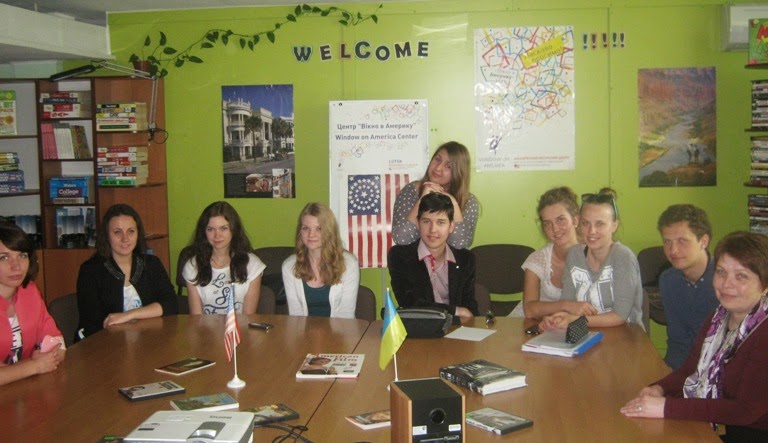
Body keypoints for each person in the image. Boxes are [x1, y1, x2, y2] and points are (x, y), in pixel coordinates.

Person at [621, 232, 768, 440]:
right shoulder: (719, 318)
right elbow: (691, 369)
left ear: (765, 286)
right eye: (721, 272)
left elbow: (744, 411)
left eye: (741, 276)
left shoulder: (763, 333)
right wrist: (659, 388)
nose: (726, 284)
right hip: (733, 428)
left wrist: (667, 407)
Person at [540, 188, 644, 331]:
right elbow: (567, 302)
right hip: (585, 334)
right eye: (585, 223)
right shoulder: (574, 254)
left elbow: (620, 316)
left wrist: (575, 320)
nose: (591, 231)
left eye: (600, 224)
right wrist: (555, 319)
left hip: (626, 335)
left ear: (614, 226)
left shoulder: (623, 257)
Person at [77, 204, 177, 339]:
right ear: (106, 235)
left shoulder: (151, 264)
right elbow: (92, 322)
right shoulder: (91, 270)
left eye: (131, 231)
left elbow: (170, 304)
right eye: (117, 232)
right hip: (105, 343)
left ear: (138, 233)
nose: (125, 238)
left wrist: (129, 315)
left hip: (148, 339)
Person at [509, 186, 597, 319]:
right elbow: (529, 309)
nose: (555, 229)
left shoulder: (595, 254)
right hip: (529, 323)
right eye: (547, 224)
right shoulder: (538, 259)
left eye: (560, 220)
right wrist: (566, 305)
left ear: (575, 220)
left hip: (573, 324)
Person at [388, 192, 478, 319]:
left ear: (451, 226)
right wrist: (455, 311)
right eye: (426, 221)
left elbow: (470, 307)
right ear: (418, 223)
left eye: (440, 222)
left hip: (457, 327)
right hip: (420, 325)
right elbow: (410, 303)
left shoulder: (465, 259)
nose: (433, 229)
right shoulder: (400, 256)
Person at [0, 223, 66, 386]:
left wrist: (49, 356)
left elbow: (56, 342)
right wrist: (34, 366)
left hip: (22, 388)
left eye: (22, 256)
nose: (16, 266)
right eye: (4, 257)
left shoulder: (29, 292)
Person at [657, 204, 719, 370]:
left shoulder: (725, 280)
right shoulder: (668, 280)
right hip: (683, 367)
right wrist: (669, 376)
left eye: (682, 241)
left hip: (719, 368)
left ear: (703, 241)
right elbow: (678, 341)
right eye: (667, 242)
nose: (673, 250)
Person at [392, 141, 479, 249]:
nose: (438, 168)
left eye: (448, 166)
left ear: (458, 172)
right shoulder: (411, 191)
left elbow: (460, 244)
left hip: (448, 259)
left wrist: (453, 203)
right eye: (437, 159)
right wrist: (421, 200)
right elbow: (401, 238)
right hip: (413, 258)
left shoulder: (468, 201)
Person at [183, 201, 265, 315]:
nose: (217, 235)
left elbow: (248, 317)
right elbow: (196, 318)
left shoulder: (252, 264)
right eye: (210, 229)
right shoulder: (192, 266)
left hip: (240, 326)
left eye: (223, 228)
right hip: (205, 327)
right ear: (204, 232)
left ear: (234, 229)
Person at [282, 202, 359, 318]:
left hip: (340, 328)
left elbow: (346, 315)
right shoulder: (289, 266)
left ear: (329, 231)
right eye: (305, 228)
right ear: (300, 232)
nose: (311, 234)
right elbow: (296, 315)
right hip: (302, 329)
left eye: (319, 228)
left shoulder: (349, 264)